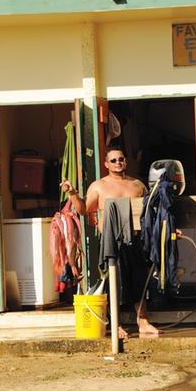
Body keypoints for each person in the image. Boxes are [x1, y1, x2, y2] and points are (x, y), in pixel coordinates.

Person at [60, 145, 159, 338]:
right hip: (110, 241)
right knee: (115, 281)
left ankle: (143, 322)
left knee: (139, 279)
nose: (118, 163)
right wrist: (72, 193)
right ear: (106, 164)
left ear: (126, 161)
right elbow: (83, 209)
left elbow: (151, 213)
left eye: (121, 159)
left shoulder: (138, 185)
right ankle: (116, 324)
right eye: (113, 160)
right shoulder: (99, 186)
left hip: (134, 239)